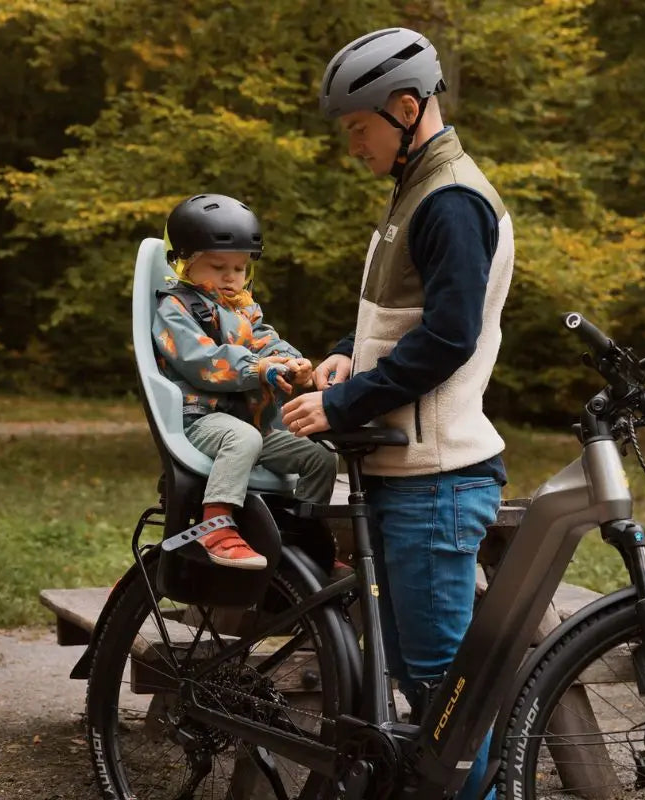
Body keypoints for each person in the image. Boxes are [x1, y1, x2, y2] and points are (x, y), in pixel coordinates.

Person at [282, 27, 515, 800]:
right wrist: (351, 350)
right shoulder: (416, 190)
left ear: (407, 107)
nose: (352, 145)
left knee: (448, 694)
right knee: (427, 680)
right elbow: (404, 313)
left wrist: (343, 401)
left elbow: (451, 335)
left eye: (358, 128)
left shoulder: (449, 199)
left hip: (435, 479)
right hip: (407, 472)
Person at [153, 193, 338, 568]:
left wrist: (293, 361)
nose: (230, 277)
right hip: (199, 422)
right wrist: (258, 368)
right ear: (186, 264)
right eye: (218, 266)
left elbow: (268, 340)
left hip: (250, 425)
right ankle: (216, 527)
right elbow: (202, 361)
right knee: (243, 437)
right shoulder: (174, 308)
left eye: (238, 268)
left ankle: (297, 540)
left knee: (320, 457)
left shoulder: (242, 309)